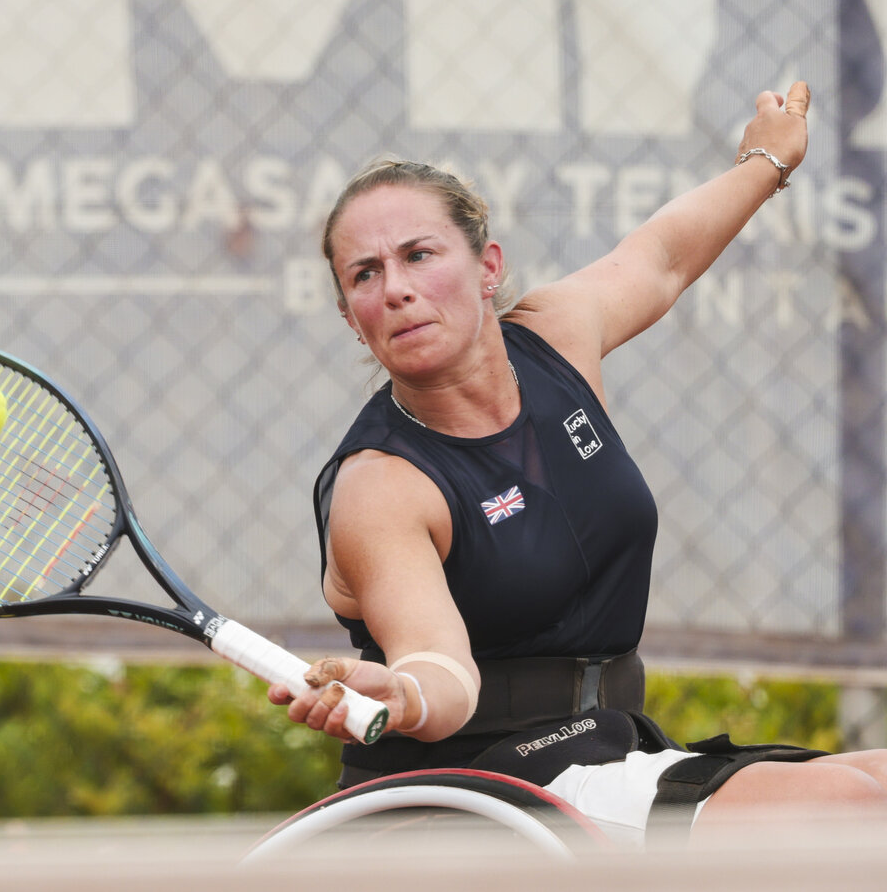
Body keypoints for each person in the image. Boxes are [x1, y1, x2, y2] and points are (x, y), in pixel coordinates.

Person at [268, 82, 887, 847]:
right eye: (364, 274)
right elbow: (443, 672)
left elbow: (660, 258)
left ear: (487, 267)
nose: (395, 288)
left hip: (607, 747)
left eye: (419, 255)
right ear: (352, 320)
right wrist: (402, 690)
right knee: (847, 806)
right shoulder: (381, 485)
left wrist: (767, 158)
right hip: (481, 787)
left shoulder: (558, 335)